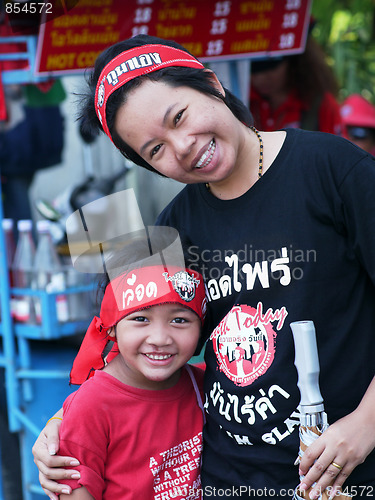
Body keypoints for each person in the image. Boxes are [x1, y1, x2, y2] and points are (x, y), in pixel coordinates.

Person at [32, 35, 375, 499]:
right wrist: (61, 423)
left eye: (179, 117)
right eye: (155, 150)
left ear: (211, 85)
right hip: (226, 480)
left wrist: (363, 426)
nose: (183, 147)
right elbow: (127, 341)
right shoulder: (173, 227)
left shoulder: (335, 171)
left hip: (348, 475)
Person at [47, 234, 207, 500]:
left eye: (179, 320)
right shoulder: (92, 406)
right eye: (141, 318)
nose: (159, 339)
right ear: (111, 325)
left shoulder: (203, 384)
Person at [249, 36, 343, 134]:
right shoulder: (242, 100)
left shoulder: (321, 105)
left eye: (271, 68)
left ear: (293, 63)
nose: (260, 78)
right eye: (253, 71)